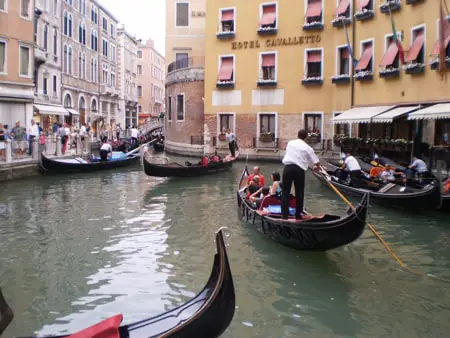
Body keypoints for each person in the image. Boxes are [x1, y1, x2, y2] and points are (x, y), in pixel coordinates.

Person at [281, 129, 320, 220]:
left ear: (298, 135)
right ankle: (298, 215)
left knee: (285, 192)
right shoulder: (308, 148)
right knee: (299, 192)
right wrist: (317, 168)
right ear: (306, 137)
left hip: (288, 168)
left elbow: (293, 155)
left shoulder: (290, 143)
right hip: (299, 170)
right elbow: (316, 161)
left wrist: (308, 164)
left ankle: (284, 216)